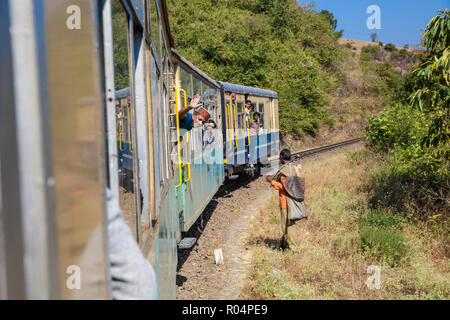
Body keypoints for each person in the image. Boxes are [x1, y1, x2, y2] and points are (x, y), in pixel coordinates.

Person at [265, 149, 299, 250]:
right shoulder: (295, 168)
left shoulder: (285, 171)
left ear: (281, 157)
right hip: (295, 201)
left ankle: (292, 248)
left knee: (287, 225)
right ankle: (285, 245)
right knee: (290, 224)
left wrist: (271, 181)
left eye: (280, 157)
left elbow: (284, 187)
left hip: (286, 202)